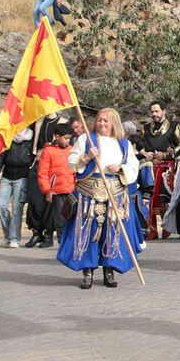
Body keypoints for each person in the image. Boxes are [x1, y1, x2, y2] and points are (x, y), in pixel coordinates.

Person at [57, 108, 140, 289]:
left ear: (114, 123)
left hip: (115, 193)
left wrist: (120, 168)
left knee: (112, 232)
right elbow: (71, 161)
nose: (101, 123)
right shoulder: (86, 139)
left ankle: (109, 271)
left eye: (106, 121)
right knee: (88, 231)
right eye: (100, 120)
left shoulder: (123, 144)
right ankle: (87, 271)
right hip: (89, 192)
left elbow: (134, 165)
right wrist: (86, 157)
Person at [0, 128, 34, 250]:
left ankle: (14, 239)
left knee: (16, 209)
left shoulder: (32, 138)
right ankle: (9, 235)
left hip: (22, 176)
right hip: (6, 176)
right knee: (0, 206)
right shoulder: (7, 136)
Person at [35, 124, 76, 248]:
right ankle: (63, 245)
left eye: (69, 138)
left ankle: (72, 245)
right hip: (57, 191)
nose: (67, 141)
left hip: (72, 190)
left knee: (73, 219)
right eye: (65, 138)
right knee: (60, 220)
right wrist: (47, 190)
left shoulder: (72, 150)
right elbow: (42, 173)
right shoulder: (48, 151)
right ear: (57, 137)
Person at [142, 102, 177, 240]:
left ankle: (166, 226)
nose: (154, 114)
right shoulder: (145, 128)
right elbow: (141, 145)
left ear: (164, 111)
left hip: (166, 167)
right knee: (149, 196)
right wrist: (146, 154)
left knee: (163, 197)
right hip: (150, 166)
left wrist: (167, 153)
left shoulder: (173, 126)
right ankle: (151, 228)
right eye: (152, 112)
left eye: (157, 111)